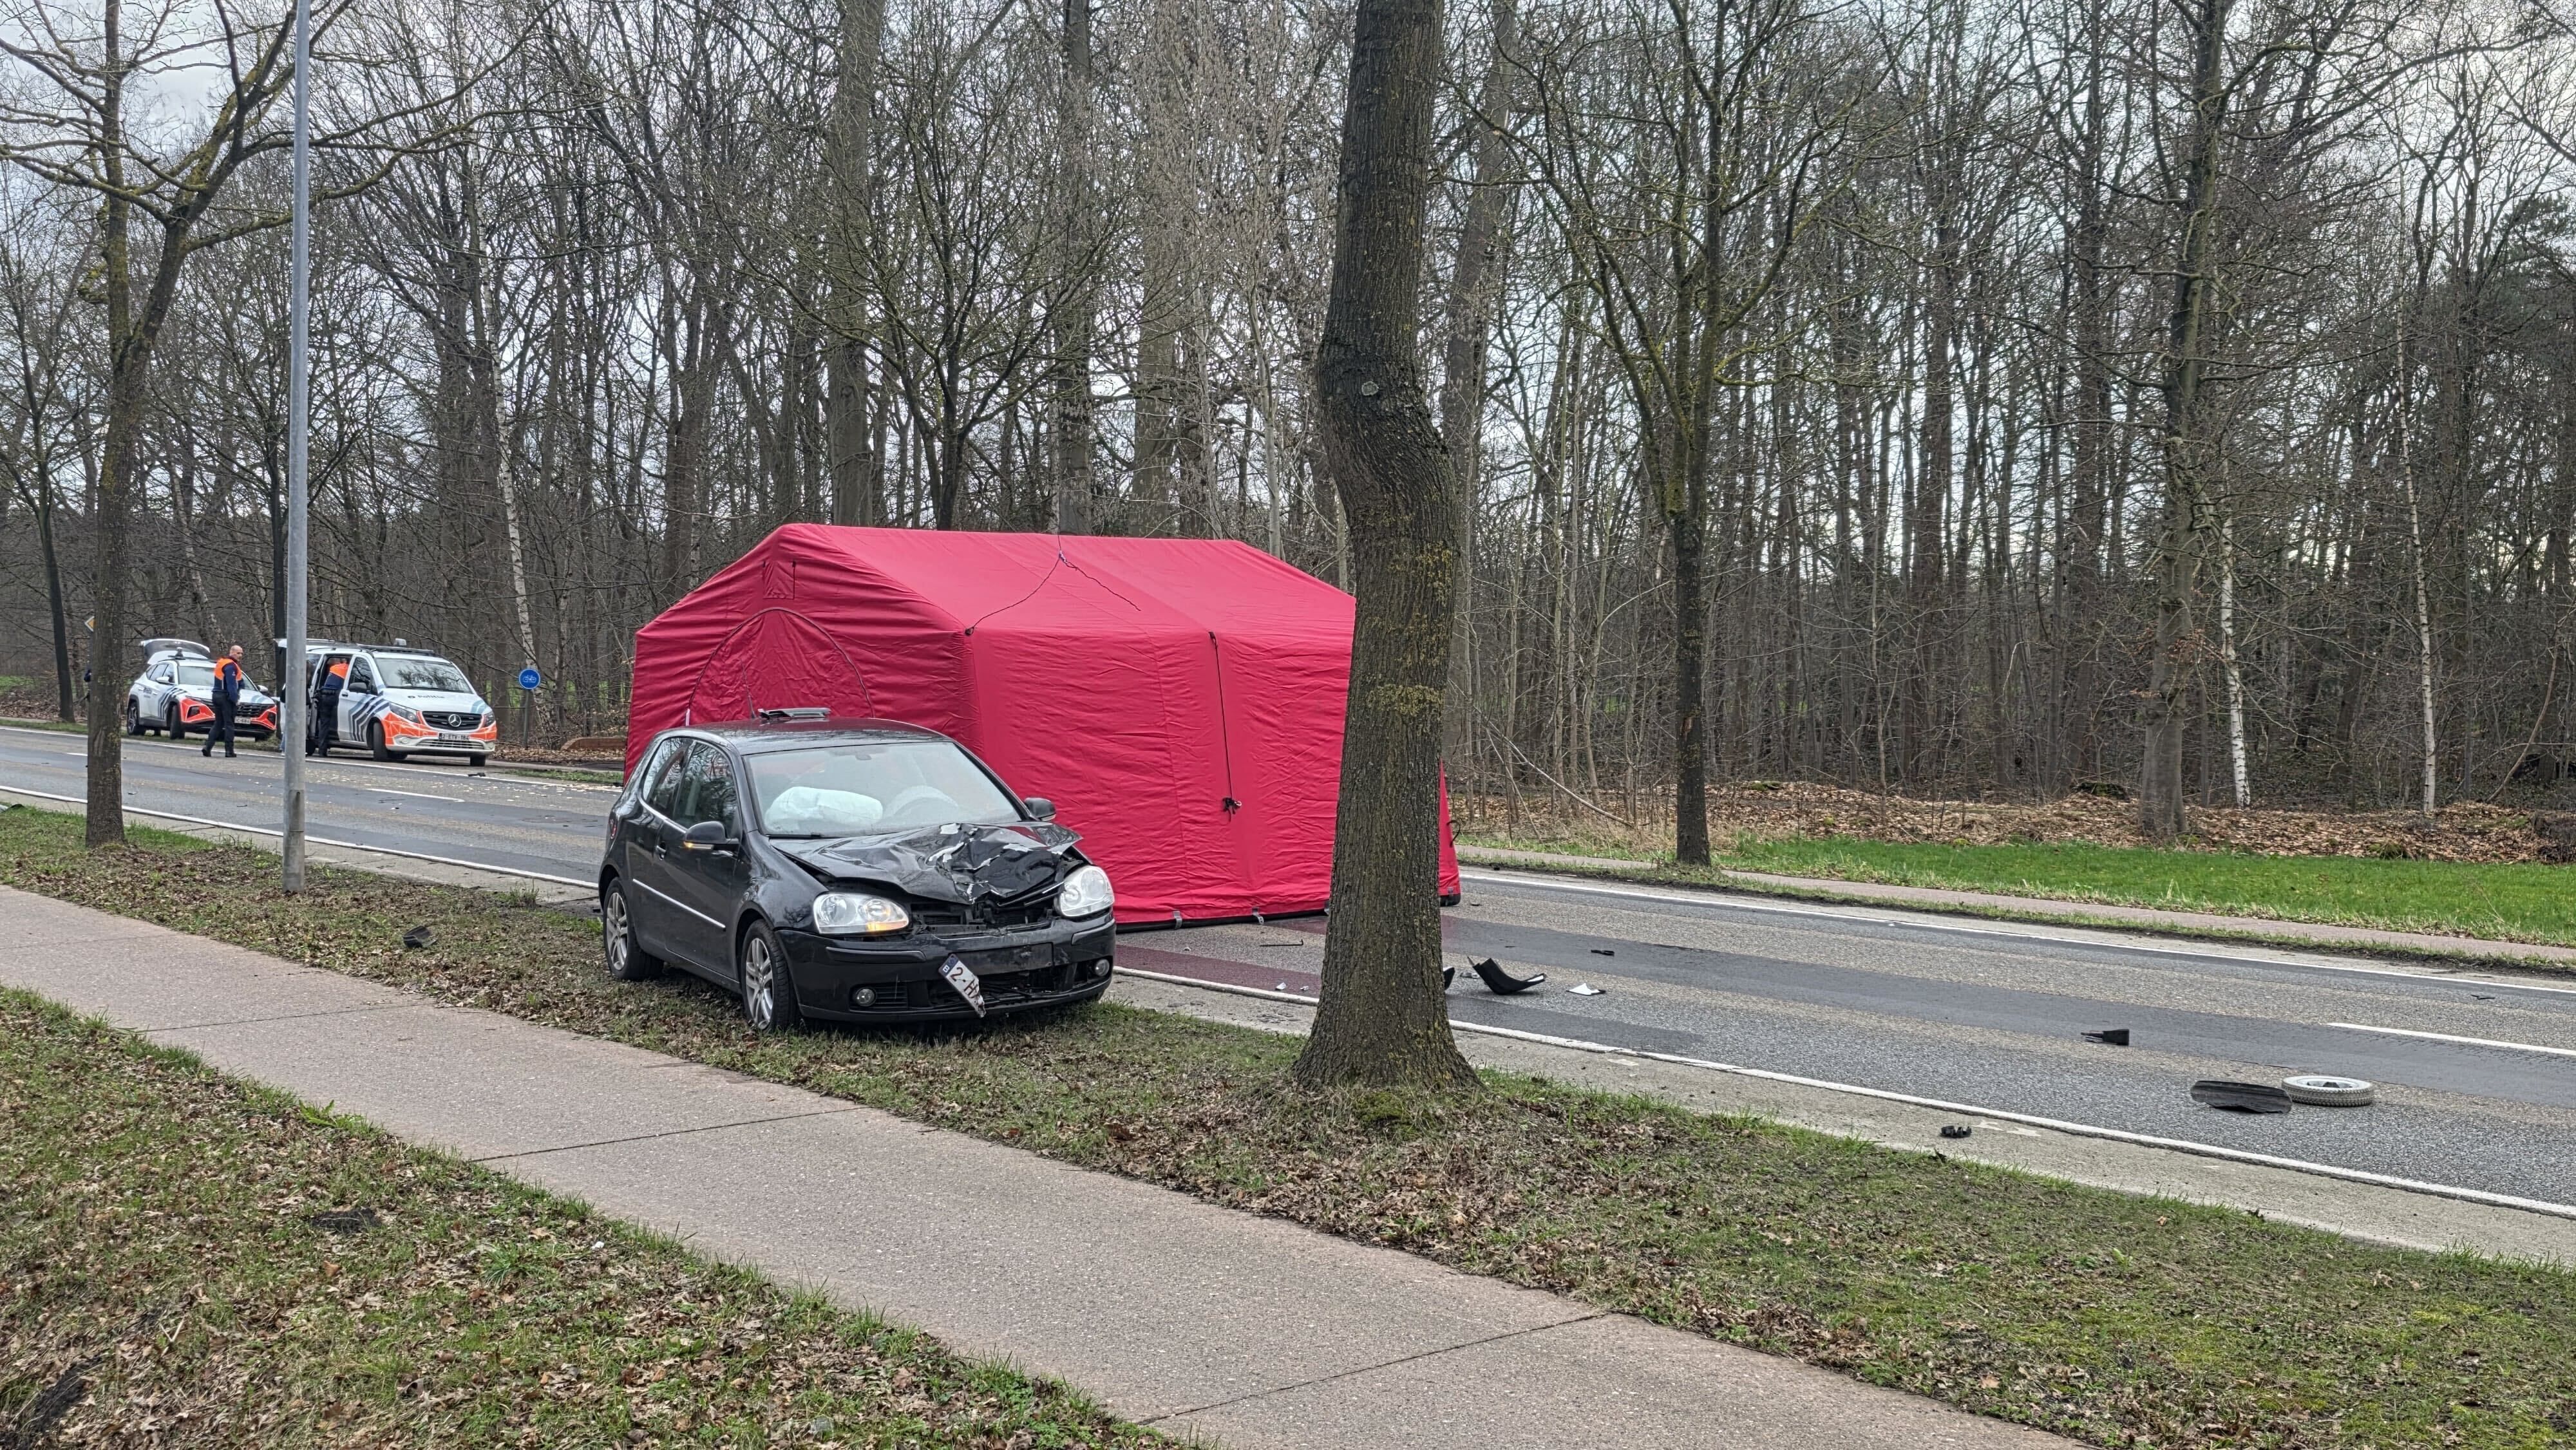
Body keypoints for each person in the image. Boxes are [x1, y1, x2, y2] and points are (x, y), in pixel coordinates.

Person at [202, 645, 245, 758]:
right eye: (238, 653)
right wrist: (235, 699)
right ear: (232, 652)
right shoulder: (231, 666)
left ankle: (208, 747)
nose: (240, 655)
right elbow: (231, 685)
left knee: (218, 723)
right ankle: (229, 751)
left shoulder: (221, 662)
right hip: (226, 697)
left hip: (216, 695)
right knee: (229, 724)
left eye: (241, 653)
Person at [308, 655, 348, 756]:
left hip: (324, 696)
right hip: (335, 697)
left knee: (324, 724)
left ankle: (322, 751)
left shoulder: (333, 668)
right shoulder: (349, 668)